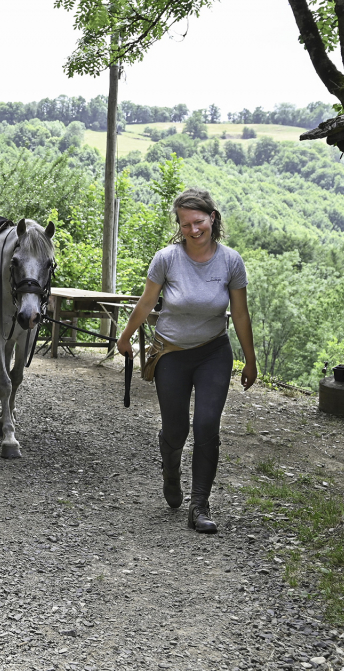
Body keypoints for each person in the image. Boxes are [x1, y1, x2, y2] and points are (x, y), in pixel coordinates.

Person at [116, 187, 257, 534]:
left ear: (212, 218)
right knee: (176, 429)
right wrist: (124, 337)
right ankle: (170, 469)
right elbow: (147, 303)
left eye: (198, 222)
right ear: (179, 226)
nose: (193, 230)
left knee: (207, 426)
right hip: (172, 354)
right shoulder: (166, 258)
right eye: (185, 224)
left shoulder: (230, 261)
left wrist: (250, 361)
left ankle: (200, 505)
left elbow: (239, 314)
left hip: (214, 352)